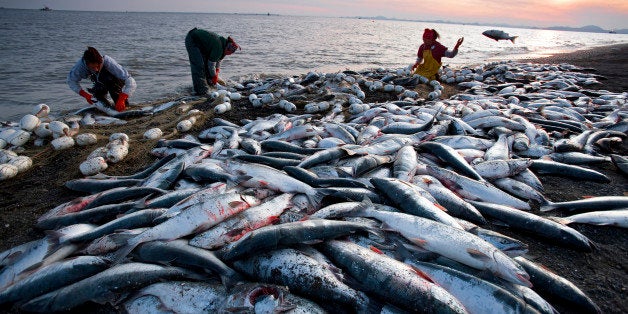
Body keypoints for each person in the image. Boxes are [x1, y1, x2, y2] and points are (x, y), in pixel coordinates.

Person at [67, 47, 136, 112]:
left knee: (111, 84)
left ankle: (124, 106)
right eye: (92, 67)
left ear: (100, 61)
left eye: (97, 66)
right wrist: (85, 95)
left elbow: (129, 79)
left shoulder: (108, 61)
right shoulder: (80, 66)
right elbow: (71, 81)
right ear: (86, 64)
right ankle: (108, 108)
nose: (96, 69)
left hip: (115, 81)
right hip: (99, 80)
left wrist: (123, 97)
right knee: (97, 96)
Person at [185, 28, 240, 95]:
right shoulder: (218, 47)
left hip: (202, 44)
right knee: (199, 65)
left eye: (232, 52)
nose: (230, 54)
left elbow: (218, 61)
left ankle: (209, 83)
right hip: (193, 39)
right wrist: (214, 76)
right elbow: (211, 65)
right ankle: (200, 91)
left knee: (205, 65)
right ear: (227, 48)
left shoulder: (224, 45)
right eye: (230, 52)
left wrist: (216, 72)